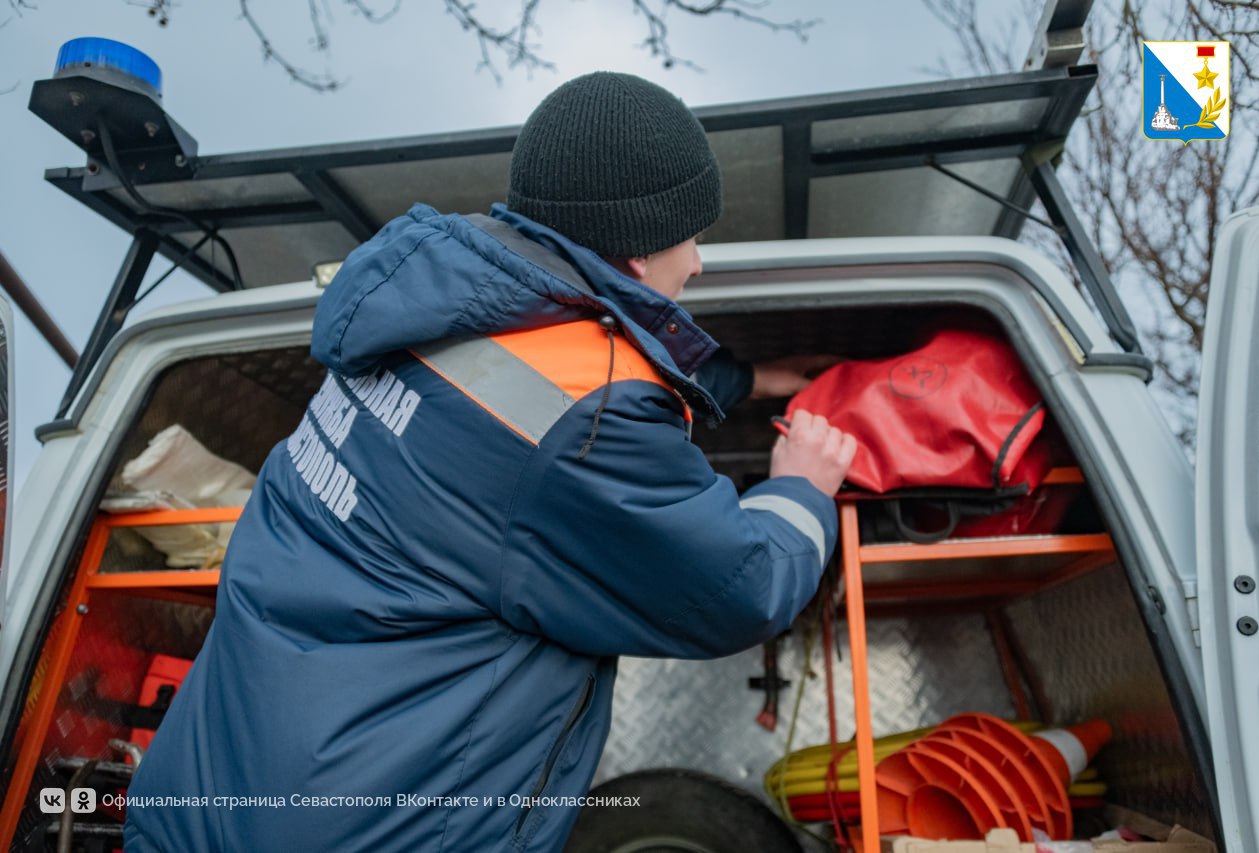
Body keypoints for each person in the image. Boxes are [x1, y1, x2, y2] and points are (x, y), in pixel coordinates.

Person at [124, 71, 856, 853]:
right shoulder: (587, 419)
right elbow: (738, 587)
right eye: (694, 235)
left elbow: (543, 386)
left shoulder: (420, 308)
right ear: (641, 248)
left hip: (196, 807)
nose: (701, 262)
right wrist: (800, 487)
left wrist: (745, 379)